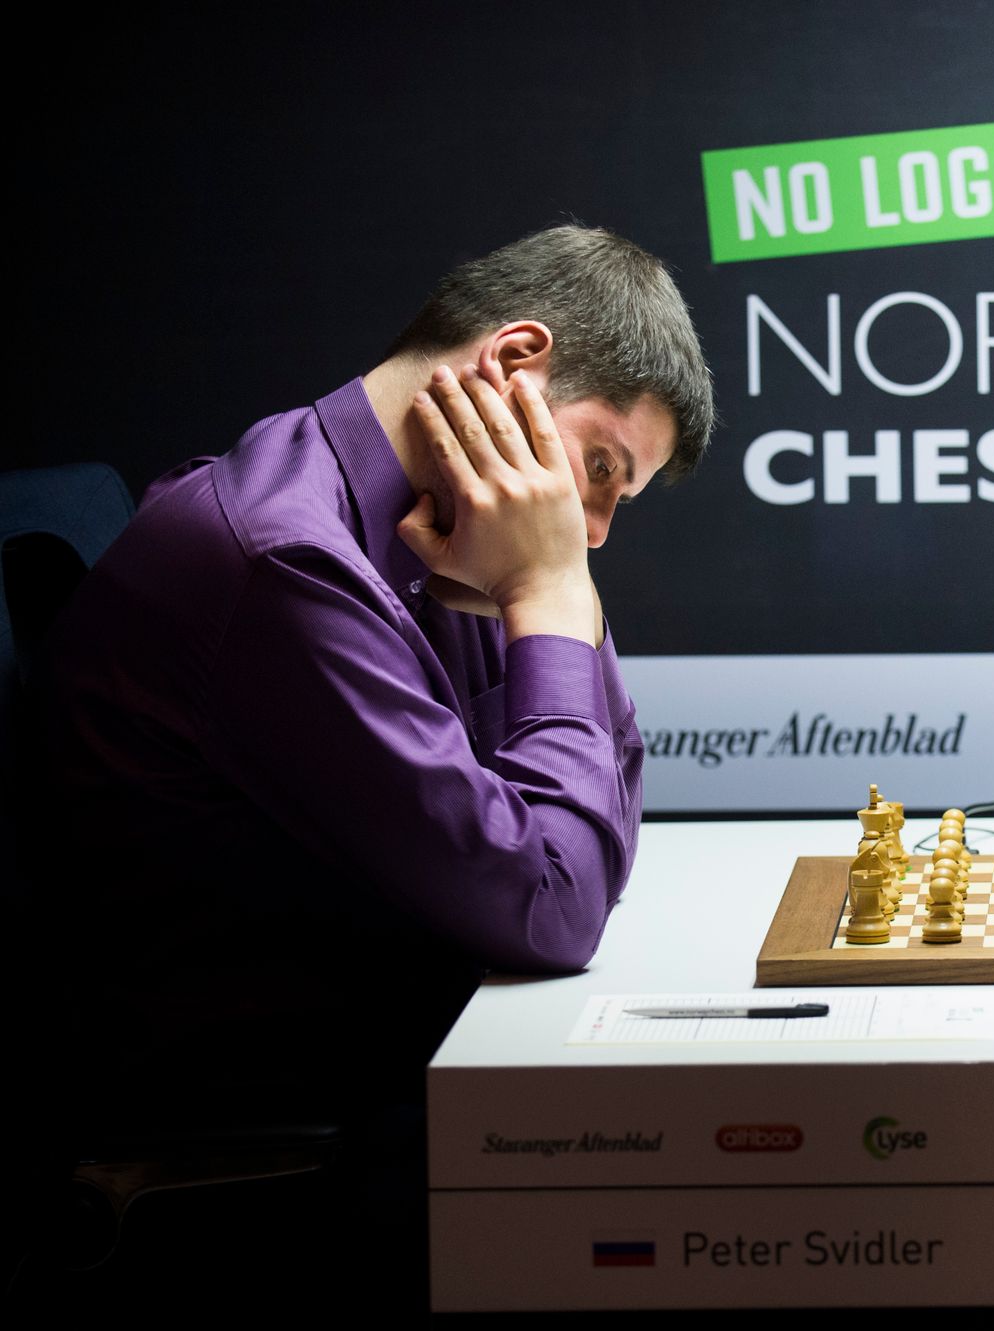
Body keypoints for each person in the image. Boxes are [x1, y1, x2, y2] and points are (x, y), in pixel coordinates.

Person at [43, 224, 714, 1119]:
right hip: (293, 1111)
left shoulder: (447, 537)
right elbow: (557, 905)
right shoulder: (283, 562)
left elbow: (599, 842)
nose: (592, 531)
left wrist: (552, 597)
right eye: (600, 467)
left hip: (406, 1036)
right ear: (515, 361)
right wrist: (548, 591)